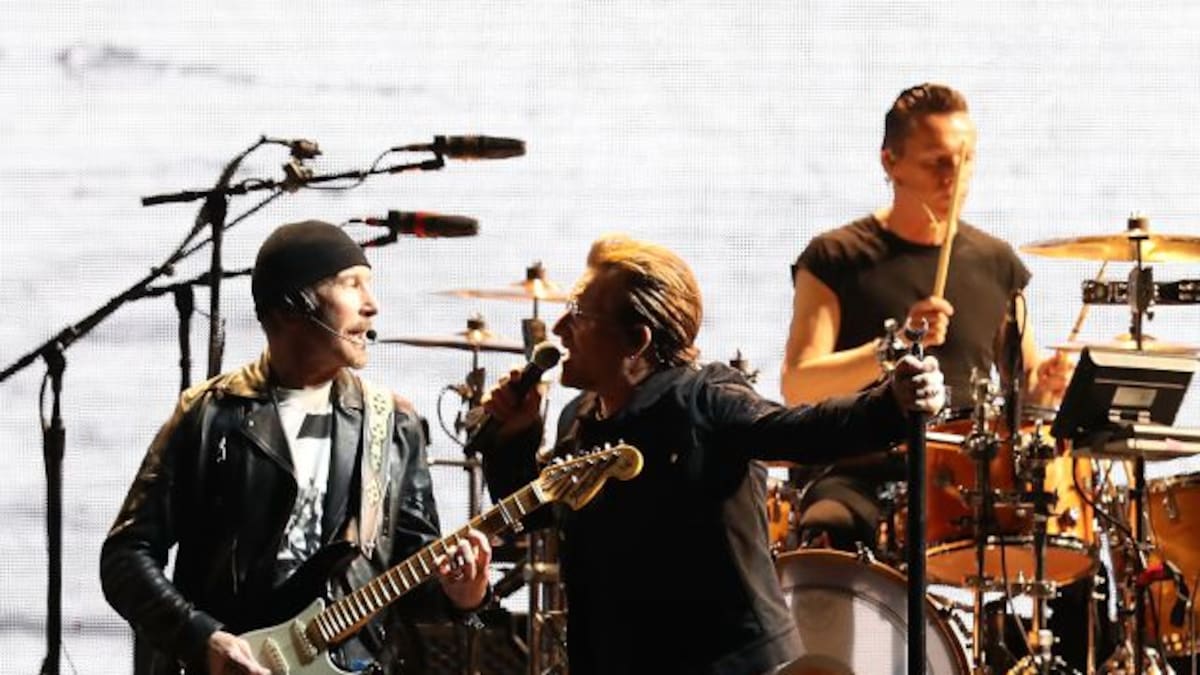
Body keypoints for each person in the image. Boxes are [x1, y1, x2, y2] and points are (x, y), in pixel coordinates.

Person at [478, 234, 946, 675]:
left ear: (636, 341)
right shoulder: (582, 417)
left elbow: (803, 431)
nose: (559, 329)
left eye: (579, 314)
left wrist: (892, 405)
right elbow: (531, 509)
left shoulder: (703, 399)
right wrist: (516, 435)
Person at [780, 83, 1092, 669]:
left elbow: (1026, 383)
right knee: (829, 525)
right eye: (937, 162)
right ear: (890, 161)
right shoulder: (837, 256)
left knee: (1071, 549)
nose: (956, 177)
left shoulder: (997, 263)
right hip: (862, 469)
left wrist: (1048, 383)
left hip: (967, 479)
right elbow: (798, 382)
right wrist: (893, 346)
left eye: (965, 160)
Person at [100, 220, 492, 675]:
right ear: (292, 307)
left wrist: (464, 595)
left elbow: (414, 580)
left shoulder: (392, 423)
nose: (372, 305)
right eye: (352, 285)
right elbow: (125, 558)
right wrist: (201, 638)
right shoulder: (210, 413)